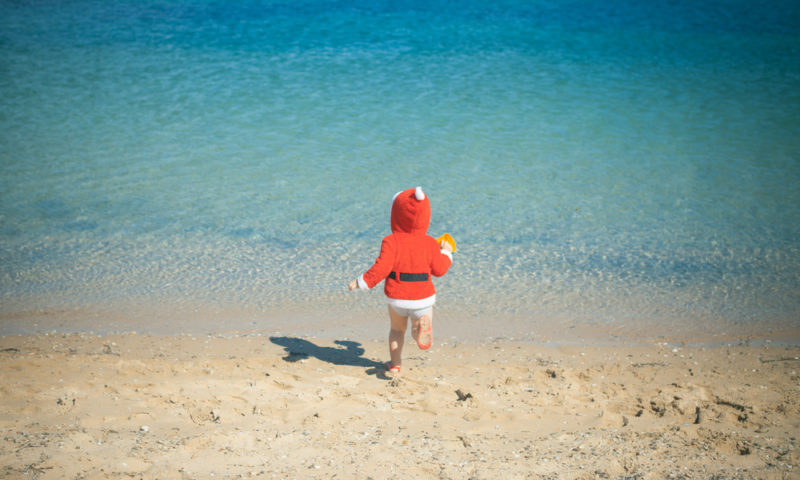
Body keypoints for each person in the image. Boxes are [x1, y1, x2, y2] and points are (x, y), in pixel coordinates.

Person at [348, 186, 454, 374]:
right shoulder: (430, 243)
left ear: (395, 215)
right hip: (422, 297)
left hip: (397, 297)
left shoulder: (391, 241)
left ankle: (395, 365)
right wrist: (446, 251)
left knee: (397, 330)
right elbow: (440, 270)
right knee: (417, 325)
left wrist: (361, 281)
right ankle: (421, 324)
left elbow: (381, 268)